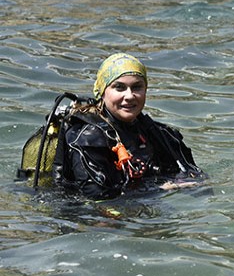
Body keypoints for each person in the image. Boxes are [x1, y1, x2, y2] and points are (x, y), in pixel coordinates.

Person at [51, 53, 206, 200]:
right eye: (119, 87)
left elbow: (194, 177)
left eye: (137, 87)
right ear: (102, 92)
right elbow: (97, 197)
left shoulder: (159, 133)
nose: (130, 96)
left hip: (140, 204)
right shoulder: (87, 137)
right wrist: (158, 189)